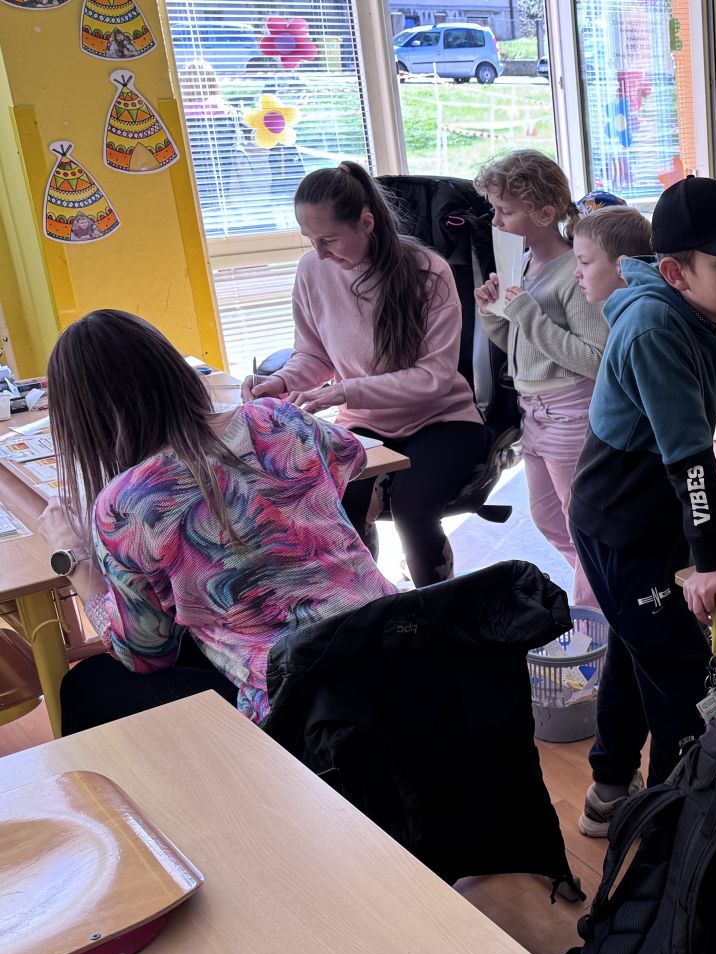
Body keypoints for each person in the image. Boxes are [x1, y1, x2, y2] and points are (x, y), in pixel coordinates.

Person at [566, 176, 716, 837]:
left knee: (639, 649)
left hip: (669, 511)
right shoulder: (652, 328)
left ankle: (610, 791)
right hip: (620, 520)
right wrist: (710, 562)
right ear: (675, 272)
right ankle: (677, 833)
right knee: (689, 682)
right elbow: (691, 460)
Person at [41, 310, 394, 733]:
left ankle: (229, 772)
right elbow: (350, 456)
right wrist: (286, 520)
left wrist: (77, 563)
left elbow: (145, 654)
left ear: (83, 419)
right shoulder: (274, 417)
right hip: (400, 641)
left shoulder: (124, 505)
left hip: (302, 703)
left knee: (87, 685)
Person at [246, 161, 487, 587]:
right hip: (364, 423)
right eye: (310, 240)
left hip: (442, 419)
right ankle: (365, 604)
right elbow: (313, 354)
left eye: (329, 239)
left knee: (414, 512)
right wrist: (280, 382)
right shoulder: (313, 270)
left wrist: (344, 392)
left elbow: (433, 378)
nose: (319, 253)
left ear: (366, 223)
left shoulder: (428, 272)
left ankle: (438, 605)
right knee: (337, 511)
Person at [474, 150, 606, 607]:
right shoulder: (524, 262)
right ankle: (606, 593)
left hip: (570, 411)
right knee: (548, 518)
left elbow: (594, 359)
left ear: (546, 214)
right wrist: (493, 314)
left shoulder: (575, 273)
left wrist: (527, 314)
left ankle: (594, 618)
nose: (496, 220)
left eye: (505, 211)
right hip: (532, 412)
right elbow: (521, 345)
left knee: (582, 523)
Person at [572, 204, 652, 309]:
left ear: (622, 267)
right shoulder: (632, 309)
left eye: (584, 262)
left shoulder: (642, 315)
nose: (576, 273)